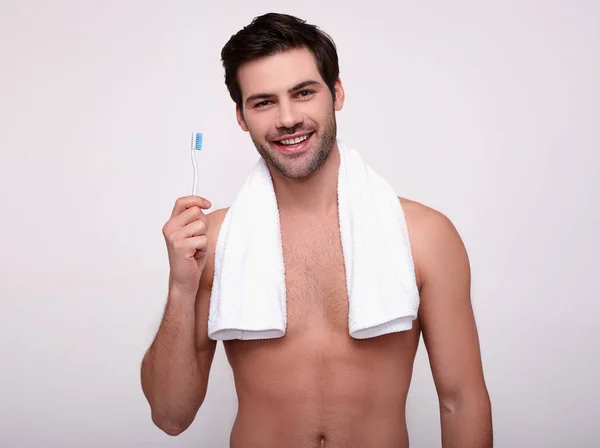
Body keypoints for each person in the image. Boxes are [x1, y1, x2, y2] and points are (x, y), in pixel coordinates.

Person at [140, 12, 492, 448]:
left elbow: (461, 401)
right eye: (264, 102)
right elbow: (170, 416)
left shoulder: (425, 236)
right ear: (241, 116)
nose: (287, 119)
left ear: (337, 93)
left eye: (303, 93)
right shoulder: (212, 242)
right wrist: (180, 288)